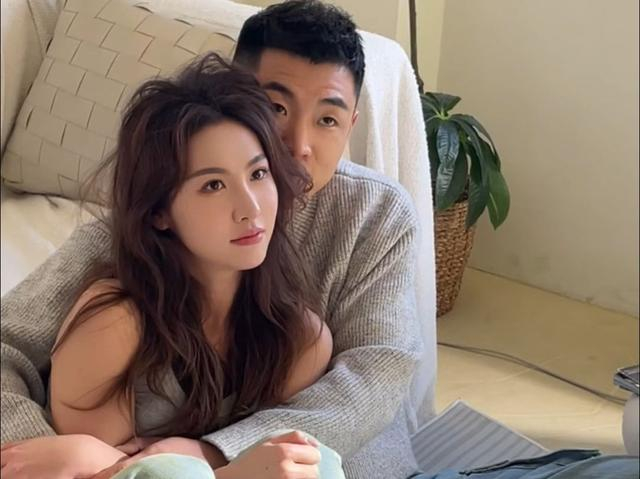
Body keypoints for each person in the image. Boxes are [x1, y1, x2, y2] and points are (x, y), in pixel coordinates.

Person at [1, 1, 424, 478]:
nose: (298, 145)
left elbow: (378, 372)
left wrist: (213, 455)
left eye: (327, 119)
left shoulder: (374, 216)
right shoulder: (138, 243)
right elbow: (6, 344)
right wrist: (50, 455)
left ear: (351, 124)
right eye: (276, 108)